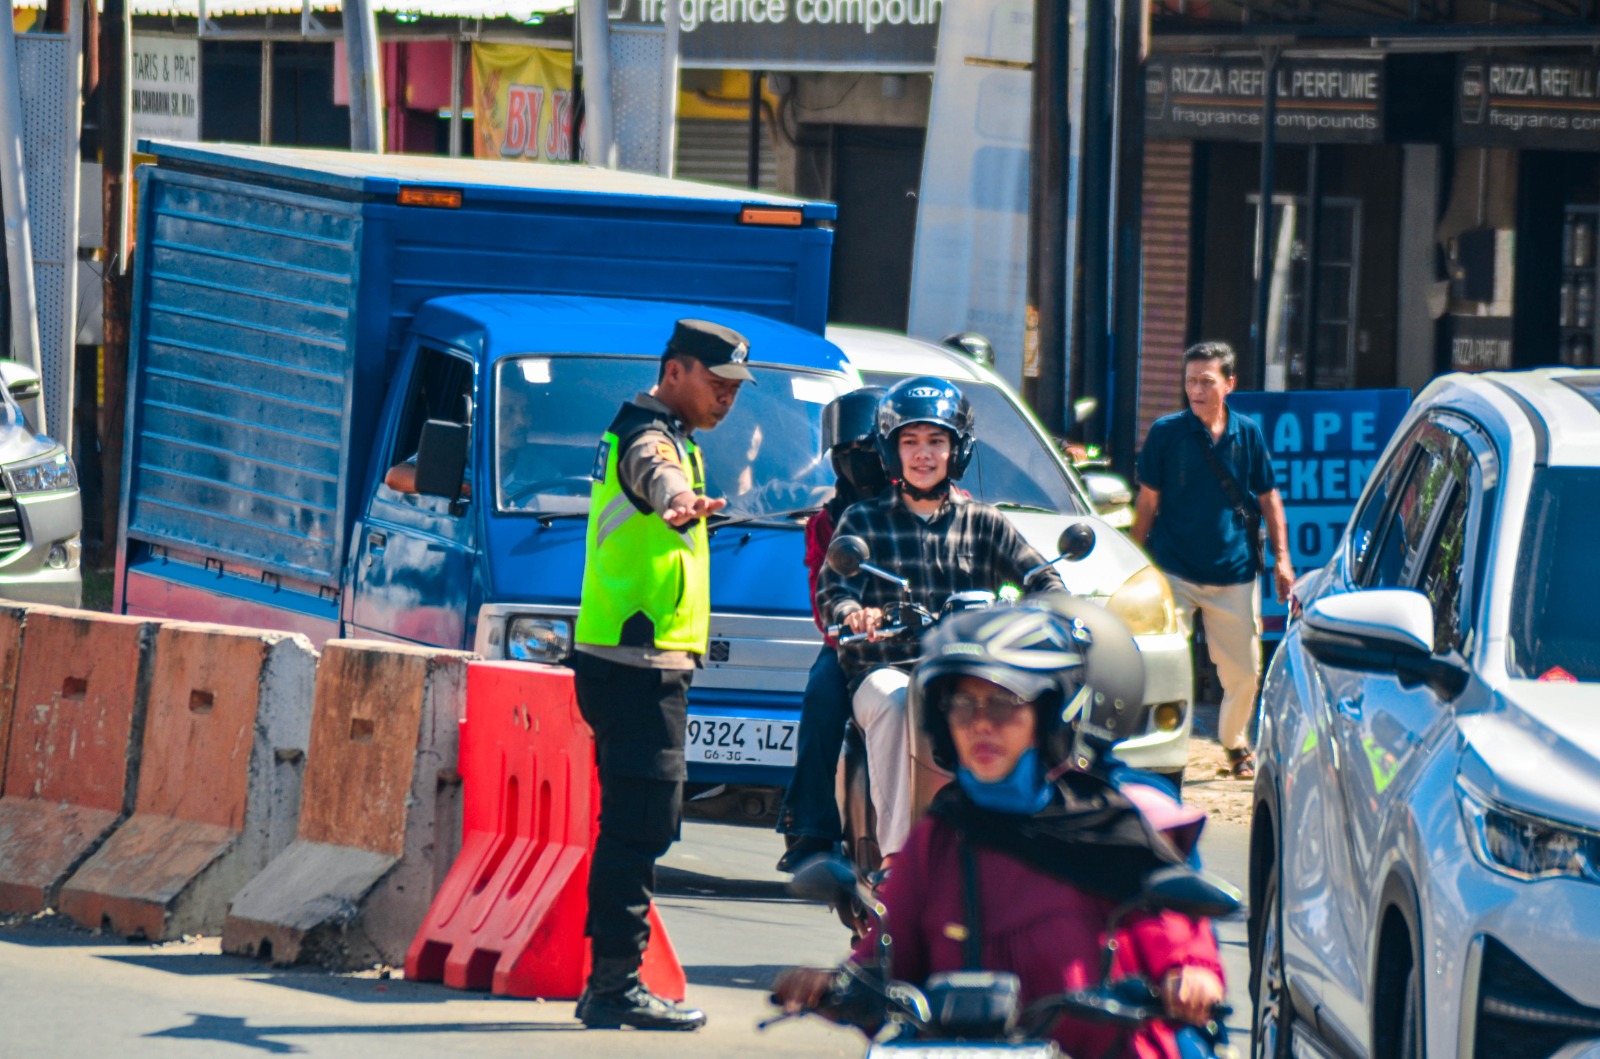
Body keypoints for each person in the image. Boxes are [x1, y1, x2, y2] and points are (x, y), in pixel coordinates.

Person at [773, 603, 1227, 1059]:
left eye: (1004, 703)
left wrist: (1190, 975)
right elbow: (889, 954)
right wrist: (832, 986)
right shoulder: (939, 838)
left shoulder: (1111, 831)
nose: (981, 724)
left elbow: (1174, 933)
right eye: (963, 705)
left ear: (1046, 715)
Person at [570, 318, 753, 1031]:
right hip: (635, 662)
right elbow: (658, 478)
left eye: (737, 387)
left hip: (641, 661)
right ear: (675, 371)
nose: (729, 398)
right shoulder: (649, 437)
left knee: (640, 822)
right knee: (638, 823)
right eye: (718, 382)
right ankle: (613, 984)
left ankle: (612, 980)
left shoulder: (673, 434)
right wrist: (679, 501)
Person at [814, 376, 1064, 864]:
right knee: (896, 700)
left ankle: (1022, 848)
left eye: (936, 441)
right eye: (910, 442)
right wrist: (856, 614)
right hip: (888, 668)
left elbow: (1043, 578)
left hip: (971, 673)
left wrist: (1050, 610)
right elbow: (833, 593)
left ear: (958, 450)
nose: (923, 454)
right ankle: (897, 859)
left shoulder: (985, 522)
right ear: (891, 452)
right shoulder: (862, 521)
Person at [1131, 341, 1292, 781]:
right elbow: (1147, 503)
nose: (1196, 390)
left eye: (1206, 381)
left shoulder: (1248, 434)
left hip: (1234, 571)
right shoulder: (1166, 432)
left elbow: (1269, 499)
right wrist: (1134, 562)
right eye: (1189, 381)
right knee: (1167, 662)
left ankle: (1235, 742)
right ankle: (1166, 747)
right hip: (1173, 569)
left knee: (1244, 672)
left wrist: (1283, 560)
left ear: (1229, 384)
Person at [775, 386, 890, 872]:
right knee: (821, 697)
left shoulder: (950, 507)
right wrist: (852, 622)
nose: (856, 464)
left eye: (866, 452)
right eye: (844, 455)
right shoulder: (826, 521)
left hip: (930, 640)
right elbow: (822, 599)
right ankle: (810, 828)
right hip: (851, 647)